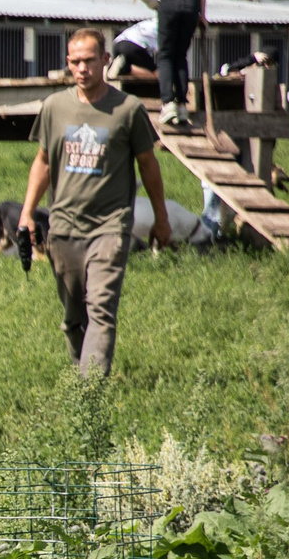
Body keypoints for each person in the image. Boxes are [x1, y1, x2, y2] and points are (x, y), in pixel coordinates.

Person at [18, 28, 173, 375]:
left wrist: (161, 219)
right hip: (64, 229)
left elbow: (148, 165)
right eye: (74, 62)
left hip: (110, 227)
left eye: (89, 60)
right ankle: (80, 372)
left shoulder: (127, 110)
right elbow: (43, 162)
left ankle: (90, 388)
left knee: (101, 308)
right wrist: (27, 213)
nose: (82, 68)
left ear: (105, 60)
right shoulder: (54, 107)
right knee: (74, 317)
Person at [129, 0, 208, 130]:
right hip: (191, 2)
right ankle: (182, 105)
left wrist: (155, 5)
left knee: (165, 55)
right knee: (180, 55)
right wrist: (202, 14)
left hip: (169, 0)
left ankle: (168, 103)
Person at [109, 15, 160, 84]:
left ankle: (124, 68)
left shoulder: (153, 21)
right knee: (158, 75)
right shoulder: (170, 26)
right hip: (134, 45)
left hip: (118, 44)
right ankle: (125, 68)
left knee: (142, 70)